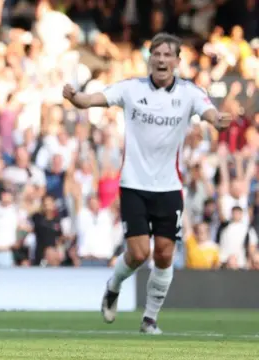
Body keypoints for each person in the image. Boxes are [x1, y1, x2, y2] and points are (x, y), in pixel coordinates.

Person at [62, 32, 232, 334]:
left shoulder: (189, 92)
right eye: (157, 54)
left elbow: (210, 112)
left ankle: (150, 318)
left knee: (164, 254)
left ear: (177, 61)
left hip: (168, 187)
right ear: (149, 59)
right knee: (139, 254)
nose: (162, 59)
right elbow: (94, 99)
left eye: (168, 55)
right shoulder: (131, 89)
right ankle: (113, 286)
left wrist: (217, 119)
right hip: (134, 185)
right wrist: (76, 98)